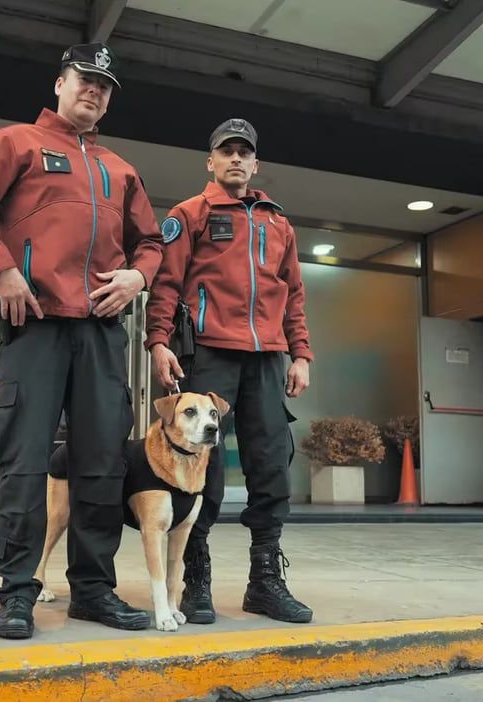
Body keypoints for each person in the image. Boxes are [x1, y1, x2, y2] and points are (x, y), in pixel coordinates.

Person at [0, 42, 162, 639]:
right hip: (35, 323)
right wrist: (0, 270)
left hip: (102, 334)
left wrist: (138, 277)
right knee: (23, 460)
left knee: (102, 464)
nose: (94, 90)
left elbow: (151, 242)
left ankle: (93, 590)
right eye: (84, 79)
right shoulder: (16, 143)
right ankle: (16, 592)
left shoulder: (121, 169)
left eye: (104, 86)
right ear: (60, 83)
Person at [144, 118, 314, 625]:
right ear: (211, 161)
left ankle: (264, 581)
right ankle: (195, 578)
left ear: (256, 164)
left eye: (244, 152)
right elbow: (166, 283)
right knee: (204, 467)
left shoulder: (279, 224)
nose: (236, 158)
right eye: (226, 151)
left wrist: (301, 354)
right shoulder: (189, 214)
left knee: (271, 463)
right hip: (209, 354)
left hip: (266, 358)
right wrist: (158, 342)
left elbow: (294, 294)